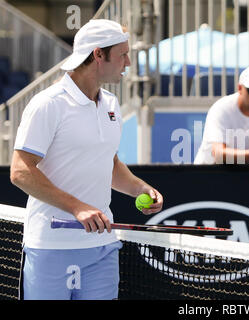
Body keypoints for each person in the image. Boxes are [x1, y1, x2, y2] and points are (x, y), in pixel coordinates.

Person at [10, 19, 163, 300]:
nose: (128, 63)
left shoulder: (112, 104)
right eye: (123, 54)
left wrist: (140, 188)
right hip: (51, 248)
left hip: (101, 248)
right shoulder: (48, 104)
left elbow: (110, 164)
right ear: (98, 54)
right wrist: (77, 207)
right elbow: (20, 171)